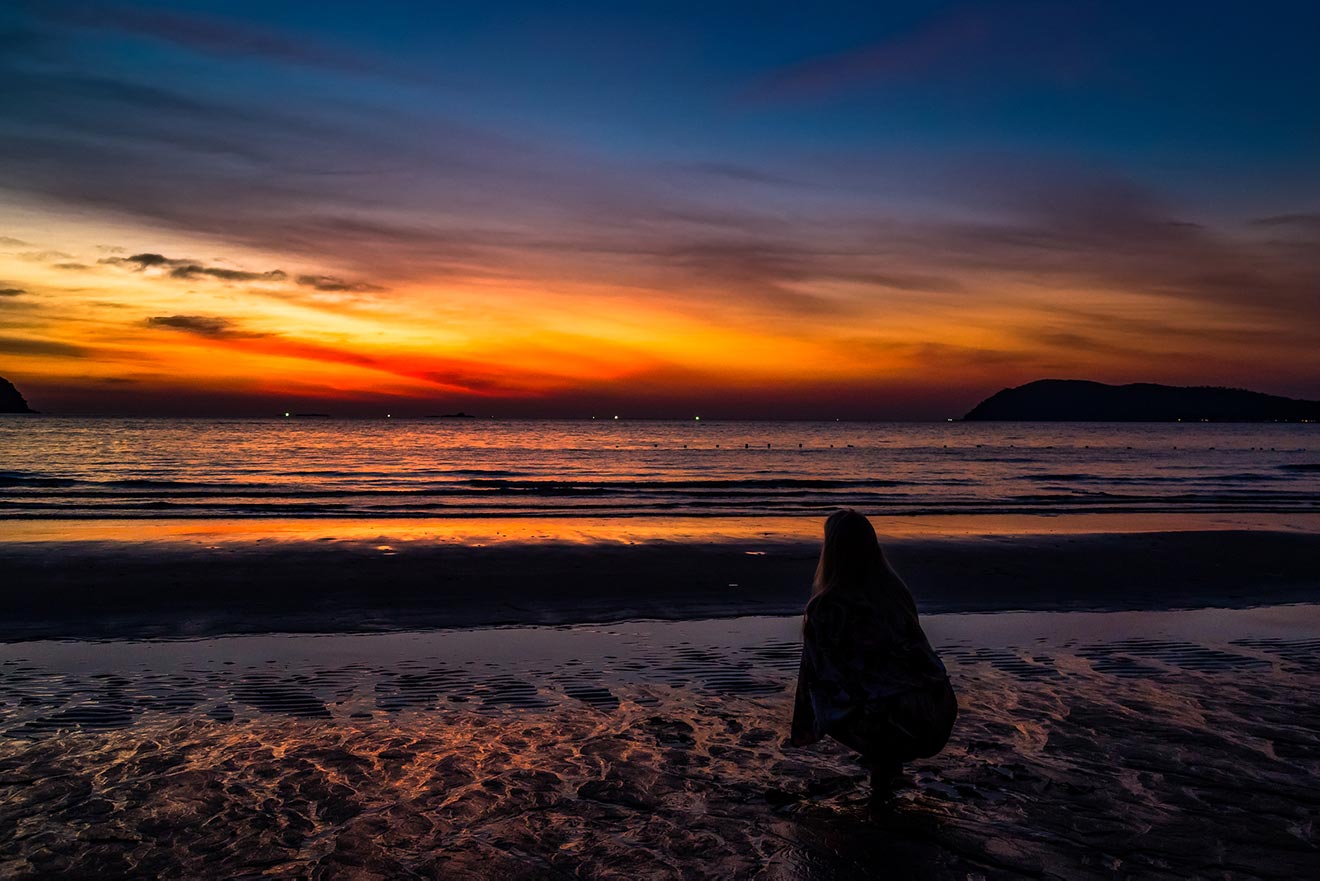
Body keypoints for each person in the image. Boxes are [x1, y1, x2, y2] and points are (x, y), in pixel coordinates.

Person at [790, 509, 957, 804]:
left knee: (836, 690)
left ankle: (882, 766)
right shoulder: (895, 591)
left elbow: (822, 674)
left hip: (893, 721)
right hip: (938, 709)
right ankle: (887, 761)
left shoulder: (826, 606)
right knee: (880, 685)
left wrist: (806, 721)